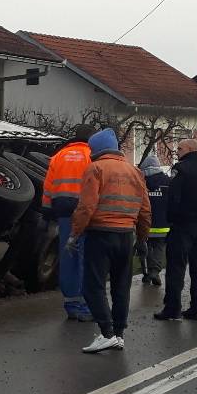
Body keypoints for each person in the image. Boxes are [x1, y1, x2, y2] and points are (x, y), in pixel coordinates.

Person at [68, 128, 151, 353]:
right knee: (121, 287)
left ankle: (106, 333)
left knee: (92, 287)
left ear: (96, 149)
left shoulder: (95, 169)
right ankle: (119, 334)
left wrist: (74, 234)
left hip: (100, 234)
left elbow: (86, 207)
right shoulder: (135, 172)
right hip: (126, 236)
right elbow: (145, 210)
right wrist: (142, 238)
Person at [154, 138, 197, 321]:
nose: (177, 151)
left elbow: (173, 197)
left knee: (176, 268)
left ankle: (172, 309)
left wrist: (172, 218)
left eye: (180, 148)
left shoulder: (181, 169)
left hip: (182, 226)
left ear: (191, 149)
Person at [42, 123, 98, 321]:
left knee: (68, 256)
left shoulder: (59, 155)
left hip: (63, 212)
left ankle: (71, 303)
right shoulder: (91, 155)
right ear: (91, 138)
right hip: (84, 212)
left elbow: (48, 186)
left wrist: (47, 211)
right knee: (86, 258)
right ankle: (85, 305)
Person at [140, 154, 171, 286]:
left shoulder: (140, 181)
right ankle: (155, 271)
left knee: (144, 247)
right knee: (159, 247)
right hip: (163, 223)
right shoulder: (167, 181)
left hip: (143, 223)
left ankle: (146, 273)